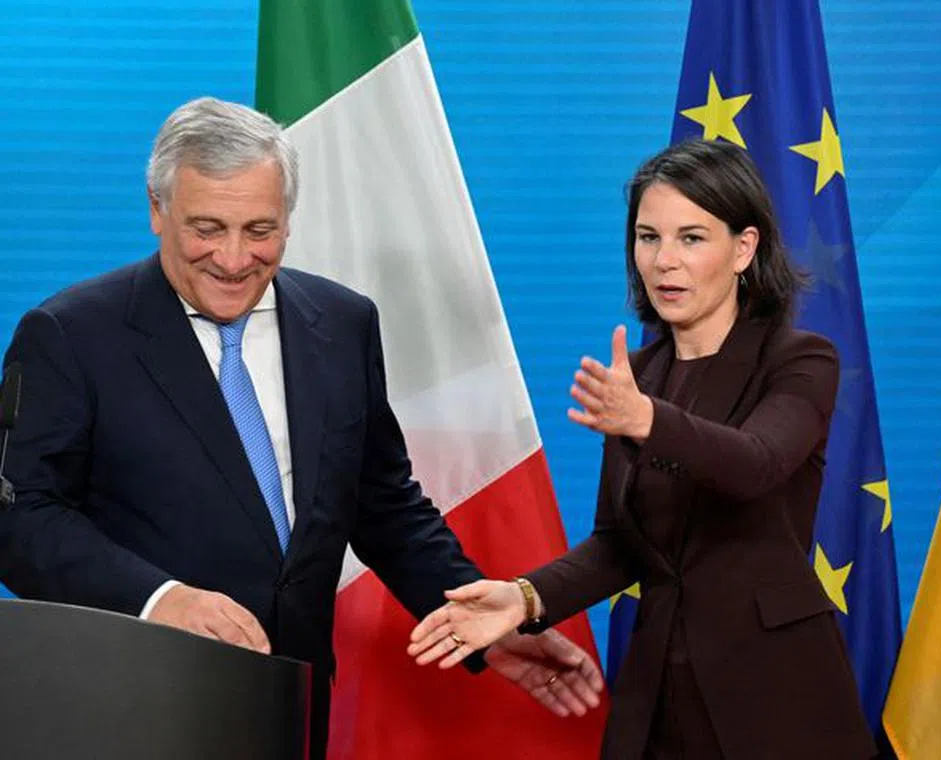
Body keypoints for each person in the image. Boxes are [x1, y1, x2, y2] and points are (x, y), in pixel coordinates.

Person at [0, 97, 603, 759]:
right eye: (208, 227)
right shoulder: (71, 335)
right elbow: (21, 518)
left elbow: (382, 504)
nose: (234, 259)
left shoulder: (343, 323)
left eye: (260, 229)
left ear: (289, 217)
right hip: (132, 705)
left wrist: (477, 625)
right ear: (157, 209)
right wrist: (158, 600)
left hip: (293, 709)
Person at [409, 139, 877, 759]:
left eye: (691, 238)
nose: (664, 262)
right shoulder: (638, 374)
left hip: (777, 698)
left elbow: (756, 465)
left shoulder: (799, 361)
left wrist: (647, 419)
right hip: (658, 693)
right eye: (648, 237)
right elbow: (620, 544)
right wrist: (523, 598)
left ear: (744, 248)